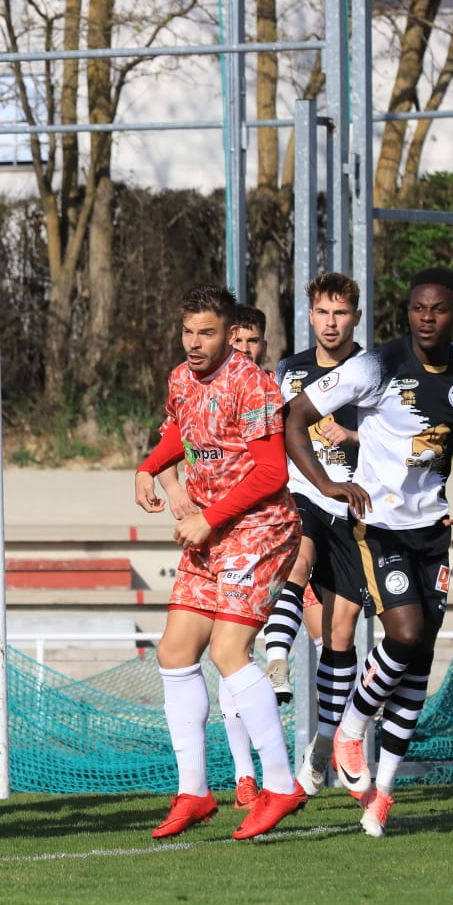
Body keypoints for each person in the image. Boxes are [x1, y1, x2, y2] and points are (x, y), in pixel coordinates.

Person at [284, 267, 453, 837]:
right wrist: (326, 485)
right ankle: (350, 730)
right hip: (379, 529)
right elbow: (295, 419)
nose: (427, 317)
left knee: (419, 657)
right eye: (418, 307)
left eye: (439, 309)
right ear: (408, 312)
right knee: (402, 633)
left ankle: (384, 792)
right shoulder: (374, 365)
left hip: (434, 531)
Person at [134, 284, 306, 842]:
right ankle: (195, 792)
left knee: (229, 650)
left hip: (258, 528)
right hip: (210, 531)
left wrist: (209, 520)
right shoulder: (181, 380)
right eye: (187, 331)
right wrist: (147, 466)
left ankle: (279, 785)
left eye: (206, 332)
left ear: (231, 333)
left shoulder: (251, 384)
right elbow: (182, 433)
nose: (193, 342)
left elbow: (272, 472)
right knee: (176, 650)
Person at [270, 273, 371, 794]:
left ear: (355, 316)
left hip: (354, 509)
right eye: (322, 313)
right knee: (297, 560)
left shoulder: (373, 370)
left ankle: (326, 745)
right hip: (305, 496)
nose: (331, 323)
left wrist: (353, 434)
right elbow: (274, 432)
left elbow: (399, 437)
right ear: (310, 315)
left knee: (340, 634)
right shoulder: (290, 370)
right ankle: (277, 659)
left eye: (341, 313)